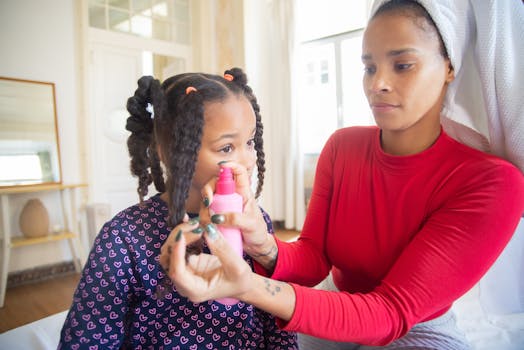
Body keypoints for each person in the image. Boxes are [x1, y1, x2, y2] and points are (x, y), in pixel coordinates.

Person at [162, 1, 524, 349]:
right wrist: (264, 245)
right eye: (369, 67)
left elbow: (390, 312)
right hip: (336, 301)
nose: (377, 83)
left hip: (416, 325)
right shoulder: (342, 148)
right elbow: (315, 258)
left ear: (449, 66)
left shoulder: (491, 182)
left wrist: (248, 286)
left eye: (402, 65)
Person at [58, 68, 298, 349]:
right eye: (226, 148)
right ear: (166, 149)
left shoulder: (256, 222)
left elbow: (278, 324)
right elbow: (87, 339)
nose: (246, 161)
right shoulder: (122, 238)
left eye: (249, 142)